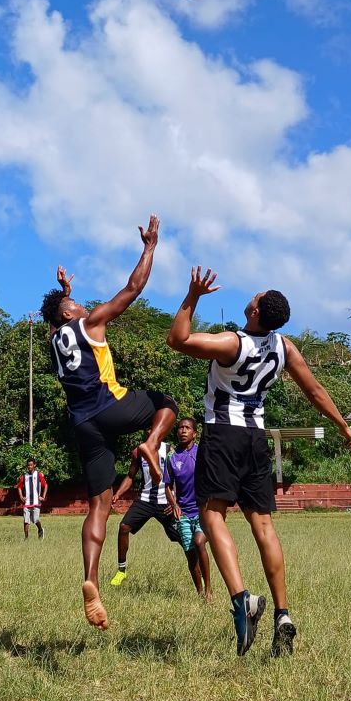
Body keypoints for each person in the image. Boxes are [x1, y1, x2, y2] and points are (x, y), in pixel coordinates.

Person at [166, 267, 351, 657]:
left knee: (210, 515)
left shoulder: (233, 344)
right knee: (264, 525)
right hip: (256, 438)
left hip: (223, 434)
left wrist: (192, 296)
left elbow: (177, 339)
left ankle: (242, 600)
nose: (252, 294)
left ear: (255, 312)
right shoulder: (284, 348)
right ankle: (283, 613)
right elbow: (315, 390)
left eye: (256, 296)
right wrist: (342, 425)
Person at [40, 215, 178, 629]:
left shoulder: (53, 338)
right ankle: (151, 444)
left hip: (82, 425)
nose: (83, 305)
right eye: (76, 305)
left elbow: (54, 318)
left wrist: (64, 293)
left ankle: (90, 579)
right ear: (71, 313)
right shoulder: (91, 322)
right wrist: (150, 247)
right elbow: (133, 289)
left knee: (99, 504)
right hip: (110, 407)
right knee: (166, 403)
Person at [109, 442, 182, 587]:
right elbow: (130, 476)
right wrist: (118, 494)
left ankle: (200, 573)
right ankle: (121, 570)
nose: (150, 429)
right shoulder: (139, 451)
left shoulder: (168, 449)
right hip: (145, 500)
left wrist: (176, 501)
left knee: (183, 537)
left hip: (166, 502)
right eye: (148, 426)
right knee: (124, 527)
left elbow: (180, 475)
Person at [165, 418, 213, 602]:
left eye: (187, 428)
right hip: (183, 514)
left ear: (194, 433)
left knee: (200, 542)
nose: (183, 431)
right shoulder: (171, 457)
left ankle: (209, 589)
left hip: (202, 510)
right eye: (180, 428)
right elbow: (167, 485)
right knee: (191, 555)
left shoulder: (202, 453)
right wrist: (174, 504)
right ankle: (199, 592)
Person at [17, 458, 48, 540]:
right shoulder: (24, 476)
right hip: (27, 502)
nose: (29, 467)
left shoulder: (39, 475)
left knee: (35, 519)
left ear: (34, 465)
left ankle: (40, 530)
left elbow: (45, 486)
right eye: (28, 465)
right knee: (26, 521)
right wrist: (21, 496)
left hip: (36, 502)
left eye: (31, 465)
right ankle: (26, 538)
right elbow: (19, 487)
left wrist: (43, 496)